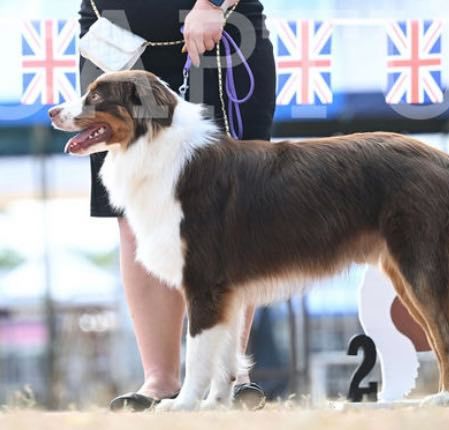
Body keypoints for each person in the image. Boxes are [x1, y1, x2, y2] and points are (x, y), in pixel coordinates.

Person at [78, 0, 276, 411]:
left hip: (215, 33)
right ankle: (160, 380)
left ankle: (228, 377)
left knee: (231, 212)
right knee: (135, 215)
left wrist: (212, 4)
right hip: (113, 37)